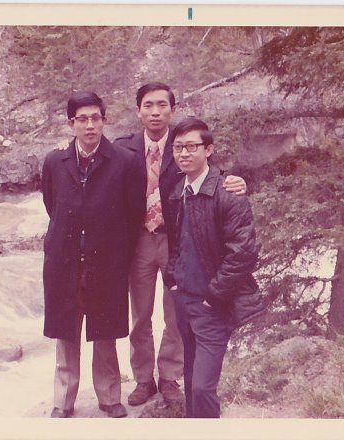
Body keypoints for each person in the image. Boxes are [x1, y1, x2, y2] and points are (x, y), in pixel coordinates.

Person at [113, 82, 246, 406]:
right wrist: (66, 145)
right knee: (140, 315)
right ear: (138, 110)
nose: (155, 112)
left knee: (176, 313)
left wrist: (236, 180)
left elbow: (212, 172)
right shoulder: (123, 147)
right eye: (148, 105)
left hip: (177, 241)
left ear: (172, 109)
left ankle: (169, 376)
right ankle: (143, 379)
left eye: (162, 105)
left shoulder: (185, 142)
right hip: (139, 240)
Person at [41, 91, 146, 418]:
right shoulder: (54, 161)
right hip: (64, 259)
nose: (90, 126)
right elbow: (52, 205)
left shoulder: (125, 161)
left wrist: (117, 251)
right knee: (66, 332)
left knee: (105, 332)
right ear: (71, 123)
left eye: (95, 118)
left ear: (104, 120)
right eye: (82, 119)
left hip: (107, 259)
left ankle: (110, 396)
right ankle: (63, 400)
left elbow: (134, 213)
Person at [162, 117, 266, 418]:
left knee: (202, 387)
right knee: (190, 376)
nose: (184, 153)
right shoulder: (178, 191)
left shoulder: (228, 194)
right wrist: (172, 281)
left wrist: (214, 297)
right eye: (178, 147)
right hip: (184, 299)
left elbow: (243, 254)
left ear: (208, 150)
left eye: (191, 147)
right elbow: (176, 243)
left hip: (211, 306)